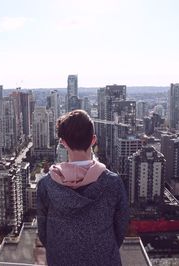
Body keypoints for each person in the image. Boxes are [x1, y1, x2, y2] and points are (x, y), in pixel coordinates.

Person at [37, 109, 130, 266]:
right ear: (93, 140)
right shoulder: (113, 183)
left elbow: (43, 232)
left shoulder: (46, 185)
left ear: (63, 142)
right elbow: (120, 229)